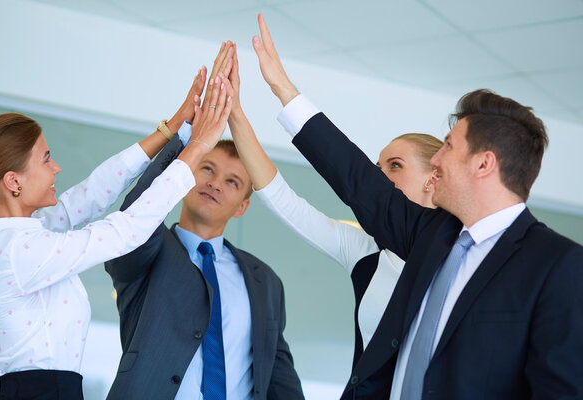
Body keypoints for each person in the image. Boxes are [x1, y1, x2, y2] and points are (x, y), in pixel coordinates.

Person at [251, 13, 583, 400]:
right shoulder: (431, 235)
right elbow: (357, 179)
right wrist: (284, 90)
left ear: (483, 163)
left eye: (448, 147)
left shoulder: (557, 265)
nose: (437, 159)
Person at [0, 64, 233, 400]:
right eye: (46, 159)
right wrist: (198, 148)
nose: (55, 167)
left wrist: (175, 128)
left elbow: (91, 193)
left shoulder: (11, 236)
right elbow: (124, 231)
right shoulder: (17, 249)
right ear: (13, 181)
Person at [104, 41, 304, 400]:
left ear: (242, 207)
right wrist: (190, 137)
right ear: (185, 178)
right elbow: (135, 214)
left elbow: (279, 378)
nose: (214, 183)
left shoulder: (265, 281)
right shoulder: (144, 250)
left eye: (233, 181)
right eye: (206, 169)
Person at [225, 43, 441, 367]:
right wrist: (235, 116)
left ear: (432, 178)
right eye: (377, 166)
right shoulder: (366, 251)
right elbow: (284, 201)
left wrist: (284, 88)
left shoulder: (459, 250)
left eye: (395, 165)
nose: (378, 176)